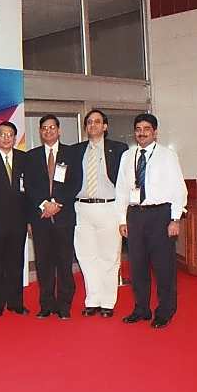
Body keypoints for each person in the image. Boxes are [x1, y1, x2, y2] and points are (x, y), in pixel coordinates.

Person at [115, 113, 187, 329]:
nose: (142, 133)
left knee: (163, 267)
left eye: (147, 129)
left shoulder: (167, 155)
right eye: (138, 129)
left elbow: (179, 189)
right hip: (135, 215)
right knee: (137, 266)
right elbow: (121, 190)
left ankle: (165, 311)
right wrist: (122, 219)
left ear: (155, 132)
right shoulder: (127, 156)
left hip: (160, 216)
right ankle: (141, 309)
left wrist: (175, 219)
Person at [72, 110, 129, 318]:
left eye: (97, 122)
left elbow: (126, 180)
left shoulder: (119, 149)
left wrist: (124, 213)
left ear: (105, 126)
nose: (93, 125)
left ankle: (108, 302)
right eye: (89, 122)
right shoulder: (76, 150)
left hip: (108, 207)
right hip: (82, 209)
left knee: (109, 256)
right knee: (86, 256)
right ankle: (92, 300)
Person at [24, 115, 80, 320]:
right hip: (40, 218)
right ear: (40, 132)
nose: (48, 131)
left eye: (52, 127)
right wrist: (44, 204)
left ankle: (64, 305)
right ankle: (46, 304)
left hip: (64, 217)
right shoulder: (31, 156)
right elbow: (29, 186)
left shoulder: (72, 154)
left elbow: (76, 183)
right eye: (44, 128)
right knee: (43, 263)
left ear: (59, 130)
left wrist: (57, 203)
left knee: (64, 262)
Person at [0, 121, 30, 317]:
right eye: (2, 134)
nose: (6, 137)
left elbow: (30, 192)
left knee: (16, 264)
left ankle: (15, 303)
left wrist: (29, 220)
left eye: (10, 134)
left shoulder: (24, 159)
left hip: (18, 222)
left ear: (15, 138)